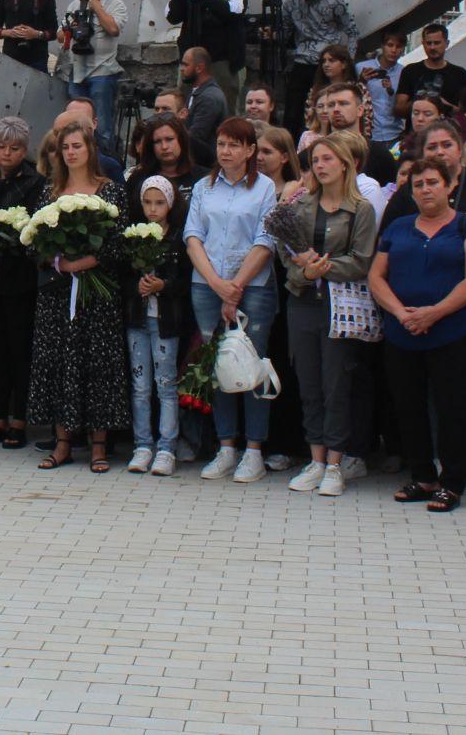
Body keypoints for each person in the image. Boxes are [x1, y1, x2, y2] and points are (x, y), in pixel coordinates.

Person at [369, 159, 466, 513]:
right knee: (408, 406)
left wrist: (434, 313)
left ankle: (452, 482)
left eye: (432, 182)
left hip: (452, 331)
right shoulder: (398, 226)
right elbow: (377, 275)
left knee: (451, 406)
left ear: (449, 185)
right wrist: (399, 312)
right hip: (402, 331)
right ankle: (423, 475)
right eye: (418, 183)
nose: (425, 189)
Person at [266, 136, 379, 496]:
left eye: (329, 158)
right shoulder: (301, 206)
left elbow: (362, 260)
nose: (321, 165)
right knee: (309, 382)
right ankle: (315, 459)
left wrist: (323, 268)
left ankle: (335, 462)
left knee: (336, 384)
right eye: (316, 159)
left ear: (345, 163)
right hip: (303, 301)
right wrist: (305, 273)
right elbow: (287, 258)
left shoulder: (360, 209)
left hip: (339, 305)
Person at [29, 122, 129, 473]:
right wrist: (59, 260)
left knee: (97, 364)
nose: (71, 152)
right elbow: (37, 239)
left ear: (90, 149)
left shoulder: (110, 192)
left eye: (77, 146)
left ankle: (98, 445)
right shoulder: (51, 193)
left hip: (96, 292)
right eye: (65, 147)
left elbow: (118, 241)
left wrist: (84, 262)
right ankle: (62, 442)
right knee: (60, 363)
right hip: (58, 293)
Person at [184, 117, 280, 484]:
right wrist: (215, 283)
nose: (226, 151)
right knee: (218, 365)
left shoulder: (265, 188)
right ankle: (226, 446)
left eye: (234, 145)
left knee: (251, 365)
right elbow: (193, 236)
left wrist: (235, 285)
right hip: (206, 285)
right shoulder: (204, 187)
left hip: (252, 287)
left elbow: (266, 238)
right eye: (222, 144)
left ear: (250, 150)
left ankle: (254, 450)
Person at [0, 116, 44, 450]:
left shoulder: (35, 183)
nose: (6, 153)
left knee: (20, 351)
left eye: (14, 148)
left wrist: (2, 256)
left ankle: (19, 418)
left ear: (24, 149)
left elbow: (31, 229)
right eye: (1, 147)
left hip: (20, 278)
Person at [124, 175, 191, 477]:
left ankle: (167, 447)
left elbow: (185, 280)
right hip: (138, 318)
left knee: (166, 384)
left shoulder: (177, 237)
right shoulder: (134, 236)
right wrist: (136, 285)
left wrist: (163, 285)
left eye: (159, 203)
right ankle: (142, 443)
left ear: (170, 203)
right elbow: (123, 277)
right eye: (147, 203)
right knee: (140, 385)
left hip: (166, 320)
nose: (153, 209)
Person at [167, 0, 248, 110]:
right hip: (191, 58)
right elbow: (172, 16)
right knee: (185, 110)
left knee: (226, 111)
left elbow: (235, 13)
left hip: (223, 60)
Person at [278, 0, 358, 134]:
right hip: (301, 62)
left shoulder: (335, 2)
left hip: (327, 63)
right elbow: (284, 33)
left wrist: (348, 61)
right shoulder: (291, 3)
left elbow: (352, 31)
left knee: (326, 109)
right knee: (292, 114)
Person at [59, 0, 127, 137]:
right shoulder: (75, 5)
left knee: (102, 125)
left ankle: (104, 160)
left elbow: (113, 29)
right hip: (78, 72)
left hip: (103, 72)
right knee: (75, 125)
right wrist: (72, 27)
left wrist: (97, 8)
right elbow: (60, 36)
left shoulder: (117, 5)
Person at [394, 24, 466, 136]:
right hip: (416, 136)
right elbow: (398, 110)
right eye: (428, 43)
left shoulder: (459, 74)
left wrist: (444, 105)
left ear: (447, 43)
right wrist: (420, 100)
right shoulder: (410, 71)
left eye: (437, 43)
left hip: (451, 135)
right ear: (423, 44)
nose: (432, 47)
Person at [181, 47, 227, 161]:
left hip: (205, 164)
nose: (182, 69)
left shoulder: (209, 97)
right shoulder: (197, 91)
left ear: (199, 68)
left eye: (186, 65)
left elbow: (196, 137)